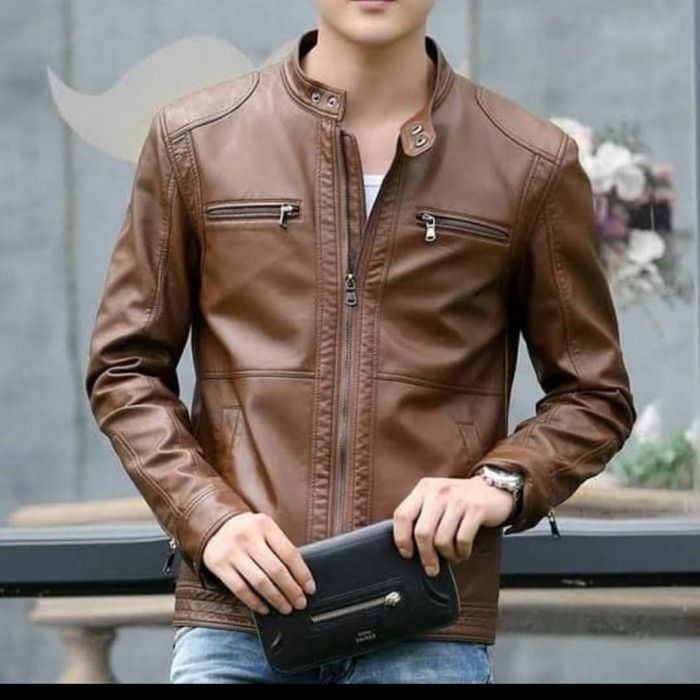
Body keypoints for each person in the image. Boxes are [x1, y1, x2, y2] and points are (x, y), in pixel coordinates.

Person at [84, 0, 636, 685]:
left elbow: (594, 394)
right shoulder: (195, 139)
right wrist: (208, 517)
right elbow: (125, 368)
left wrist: (501, 482)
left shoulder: (529, 160)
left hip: (424, 622)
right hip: (238, 622)